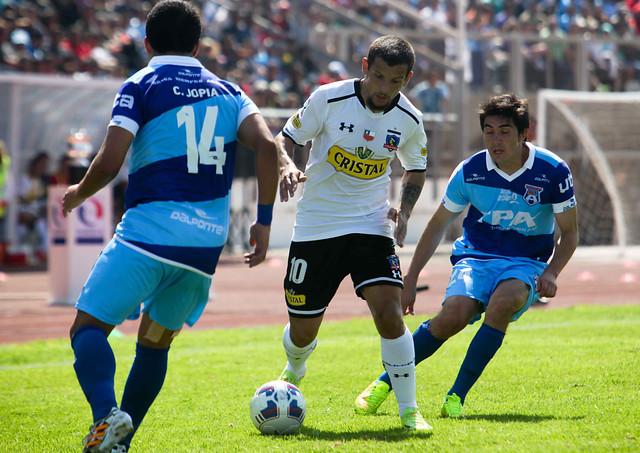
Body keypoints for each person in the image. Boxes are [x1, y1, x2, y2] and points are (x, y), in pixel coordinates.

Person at [61, 2, 290, 451]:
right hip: (203, 247)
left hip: (149, 235)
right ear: (197, 45)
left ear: (146, 44)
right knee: (154, 344)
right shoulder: (229, 90)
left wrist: (79, 193)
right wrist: (263, 223)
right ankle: (118, 442)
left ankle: (107, 417)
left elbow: (110, 161)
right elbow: (267, 144)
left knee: (86, 329)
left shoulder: (141, 82)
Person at [355, 93, 578, 419]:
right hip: (475, 257)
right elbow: (437, 225)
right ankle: (384, 383)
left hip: (525, 262)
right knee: (452, 316)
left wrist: (552, 272)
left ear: (523, 133)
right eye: (489, 131)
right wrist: (412, 276)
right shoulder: (471, 170)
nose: (495, 139)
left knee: (503, 303)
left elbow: (570, 233)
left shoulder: (553, 171)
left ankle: (455, 398)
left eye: (504, 131)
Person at [276, 35, 432, 430]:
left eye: (395, 81)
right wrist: (286, 167)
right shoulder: (327, 99)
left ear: (407, 79)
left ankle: (409, 410)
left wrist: (406, 209)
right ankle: (295, 366)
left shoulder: (409, 120)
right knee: (303, 328)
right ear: (365, 67)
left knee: (390, 314)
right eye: (378, 76)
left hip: (371, 225)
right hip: (317, 225)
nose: (383, 88)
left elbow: (415, 166)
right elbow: (287, 138)